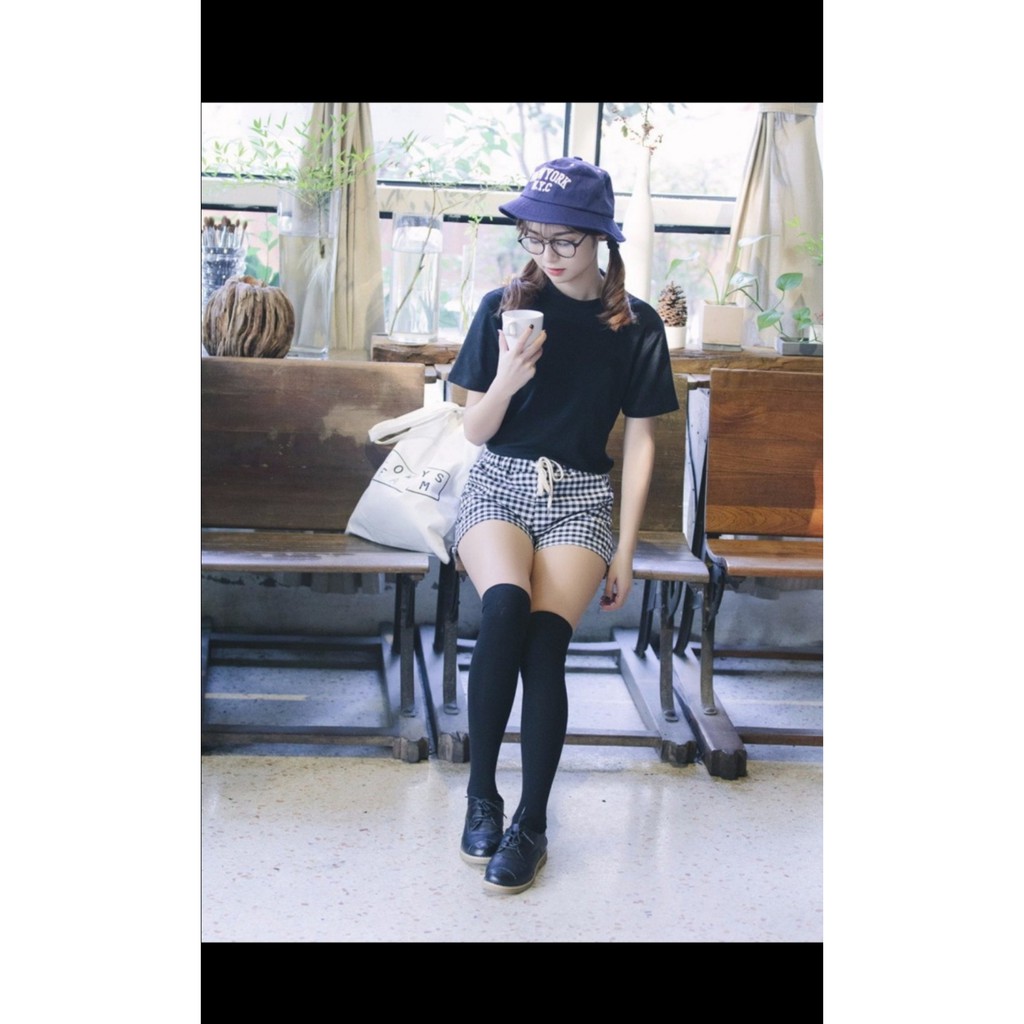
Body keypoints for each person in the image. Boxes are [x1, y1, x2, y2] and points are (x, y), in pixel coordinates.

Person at [448, 156, 679, 895]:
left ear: (599, 238)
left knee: (547, 642)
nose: (545, 253)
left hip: (579, 497)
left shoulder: (636, 325)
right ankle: (482, 797)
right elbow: (473, 430)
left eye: (563, 240)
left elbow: (640, 442)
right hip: (500, 483)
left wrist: (626, 550)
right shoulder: (503, 307)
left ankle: (532, 824)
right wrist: (509, 375)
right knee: (504, 608)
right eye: (533, 237)